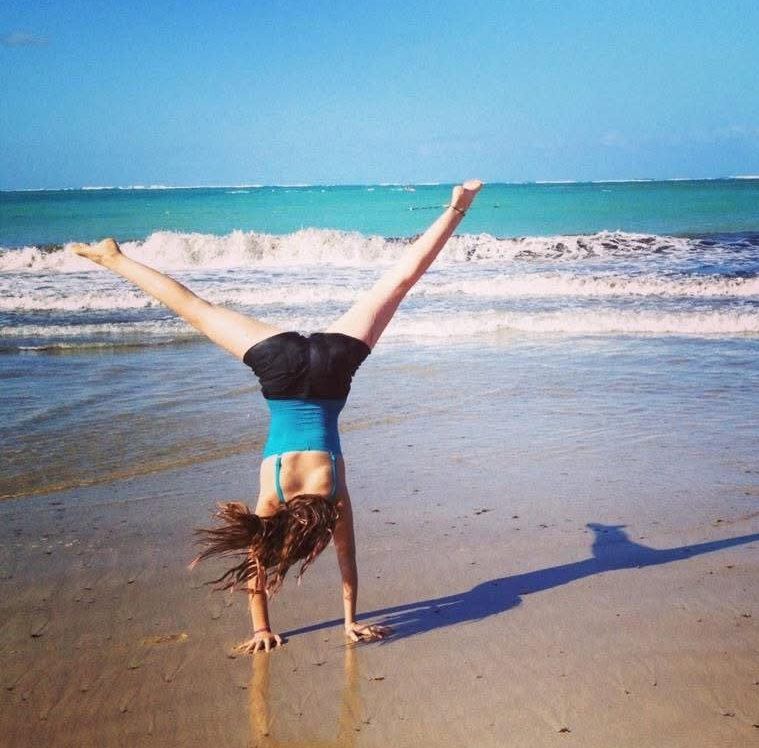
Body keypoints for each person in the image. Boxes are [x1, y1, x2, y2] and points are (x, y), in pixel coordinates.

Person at [72, 180, 483, 653]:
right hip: (281, 369)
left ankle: (458, 207)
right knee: (197, 310)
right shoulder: (274, 500)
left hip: (331, 366)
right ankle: (115, 258)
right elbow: (259, 571)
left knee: (396, 284)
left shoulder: (332, 500)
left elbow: (347, 558)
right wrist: (263, 628)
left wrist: (348, 619)